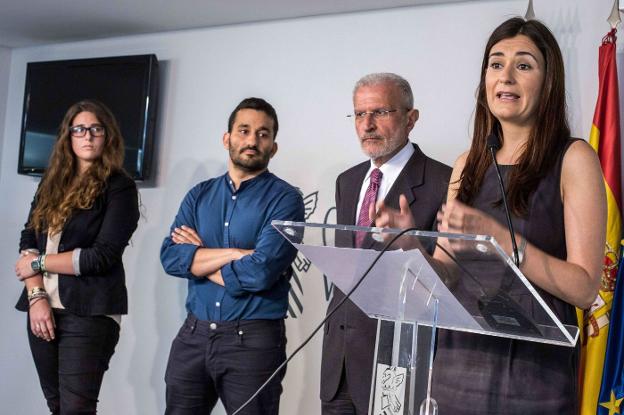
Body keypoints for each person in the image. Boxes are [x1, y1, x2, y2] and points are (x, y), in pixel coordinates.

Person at [375, 18, 606, 413]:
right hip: (456, 375)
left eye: (524, 65)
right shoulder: (467, 165)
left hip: (533, 385)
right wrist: (414, 243)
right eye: (496, 64)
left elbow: (585, 289)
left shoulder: (574, 159)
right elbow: (446, 274)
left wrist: (500, 240)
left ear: (548, 82)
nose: (507, 77)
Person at [160, 97, 305, 414]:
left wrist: (197, 261)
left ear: (273, 147)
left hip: (252, 342)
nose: (252, 140)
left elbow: (259, 272)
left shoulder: (286, 200)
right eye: (244, 130)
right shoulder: (199, 194)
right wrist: (236, 254)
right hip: (193, 335)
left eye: (263, 133)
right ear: (227, 139)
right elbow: (171, 257)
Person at [320, 73, 451, 414]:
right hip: (339, 364)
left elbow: (448, 283)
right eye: (360, 114)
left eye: (380, 112)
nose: (368, 125)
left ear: (411, 118)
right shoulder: (347, 182)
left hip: (398, 363)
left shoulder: (444, 181)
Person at [13, 99, 140, 414]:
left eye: (96, 129)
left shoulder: (119, 187)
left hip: (90, 312)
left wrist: (38, 263)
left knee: (75, 410)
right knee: (57, 406)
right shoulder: (51, 182)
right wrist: (36, 296)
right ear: (67, 136)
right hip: (42, 307)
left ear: (107, 136)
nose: (87, 136)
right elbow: (29, 237)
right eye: (79, 129)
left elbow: (100, 257)